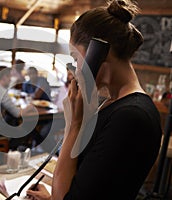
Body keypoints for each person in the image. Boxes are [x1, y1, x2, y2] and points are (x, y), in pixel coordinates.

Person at [26, 1, 162, 200]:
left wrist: (74, 124)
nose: (75, 69)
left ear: (97, 54)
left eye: (76, 58)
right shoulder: (112, 103)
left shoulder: (131, 117)